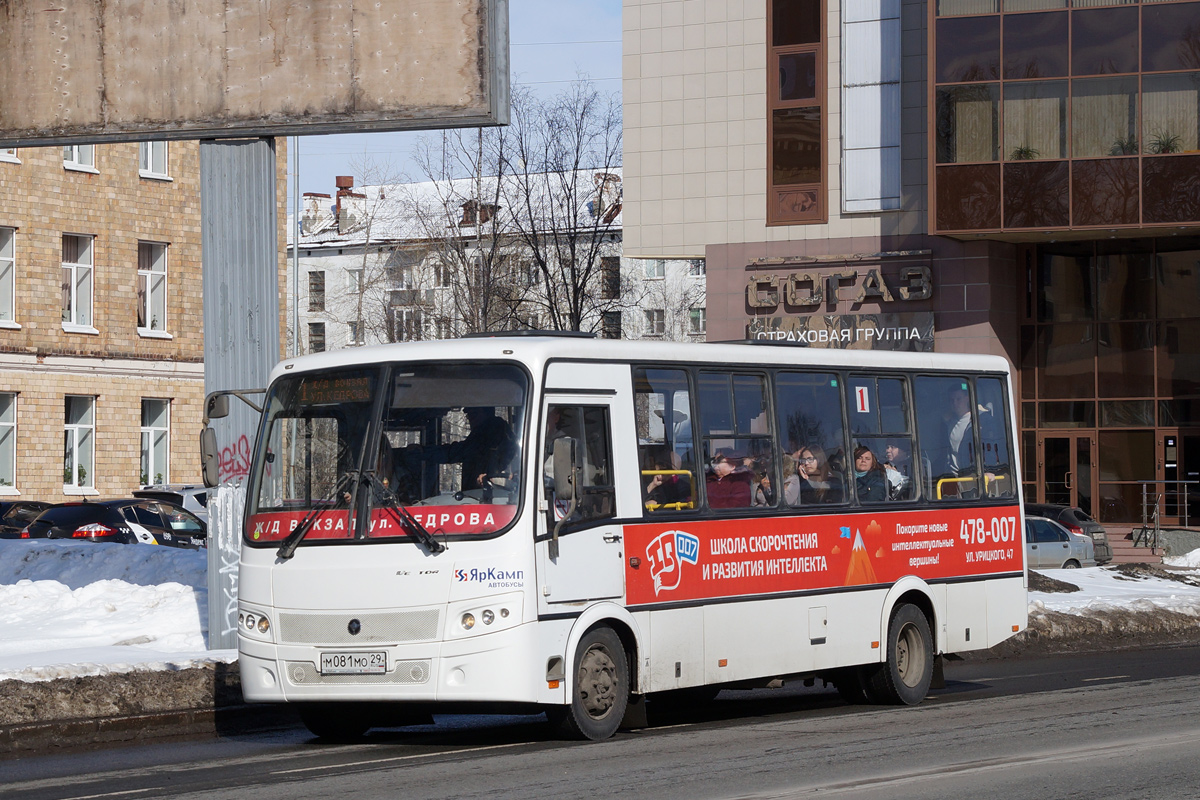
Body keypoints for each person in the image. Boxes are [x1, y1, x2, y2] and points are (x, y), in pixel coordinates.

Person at [946, 387, 974, 475]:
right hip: (953, 476)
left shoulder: (977, 421)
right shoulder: (950, 422)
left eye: (958, 399)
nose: (955, 403)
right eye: (952, 400)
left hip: (970, 475)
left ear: (967, 399)